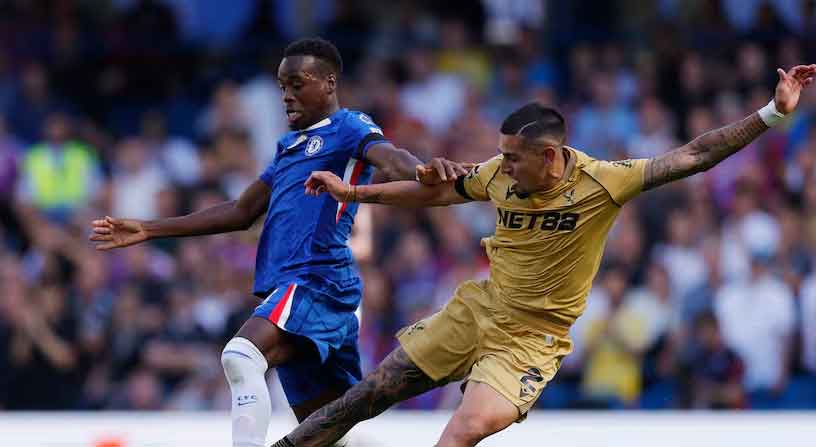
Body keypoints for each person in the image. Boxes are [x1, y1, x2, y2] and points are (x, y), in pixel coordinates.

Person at [274, 64, 816, 447]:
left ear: (551, 156)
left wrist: (771, 112)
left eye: (513, 158)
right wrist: (355, 193)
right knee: (370, 394)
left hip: (531, 339)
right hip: (478, 310)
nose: (500, 166)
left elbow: (694, 154)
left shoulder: (604, 182)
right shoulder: (499, 172)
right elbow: (436, 192)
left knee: (464, 430)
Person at [89, 38, 468, 447]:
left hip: (316, 278)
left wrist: (421, 171)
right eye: (281, 86)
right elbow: (240, 210)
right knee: (325, 431)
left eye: (296, 83)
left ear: (328, 83)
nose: (286, 95)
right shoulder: (289, 150)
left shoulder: (349, 127)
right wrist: (149, 229)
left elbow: (390, 157)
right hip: (300, 288)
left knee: (240, 356)